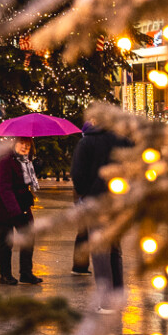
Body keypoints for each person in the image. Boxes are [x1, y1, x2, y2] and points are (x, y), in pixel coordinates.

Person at [70, 122, 125, 295]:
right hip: (117, 200)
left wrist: (85, 193)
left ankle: (106, 297)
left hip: (95, 202)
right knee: (115, 248)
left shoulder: (86, 143)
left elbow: (77, 175)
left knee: (100, 250)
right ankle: (117, 293)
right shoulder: (120, 140)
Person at [0, 138, 41, 286]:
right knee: (6, 241)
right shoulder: (5, 162)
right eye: (22, 143)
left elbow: (26, 183)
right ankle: (5, 275)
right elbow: (4, 189)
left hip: (21, 205)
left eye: (28, 144)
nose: (24, 147)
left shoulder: (27, 162)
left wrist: (37, 168)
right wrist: (14, 211)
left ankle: (26, 273)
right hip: (2, 206)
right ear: (14, 144)